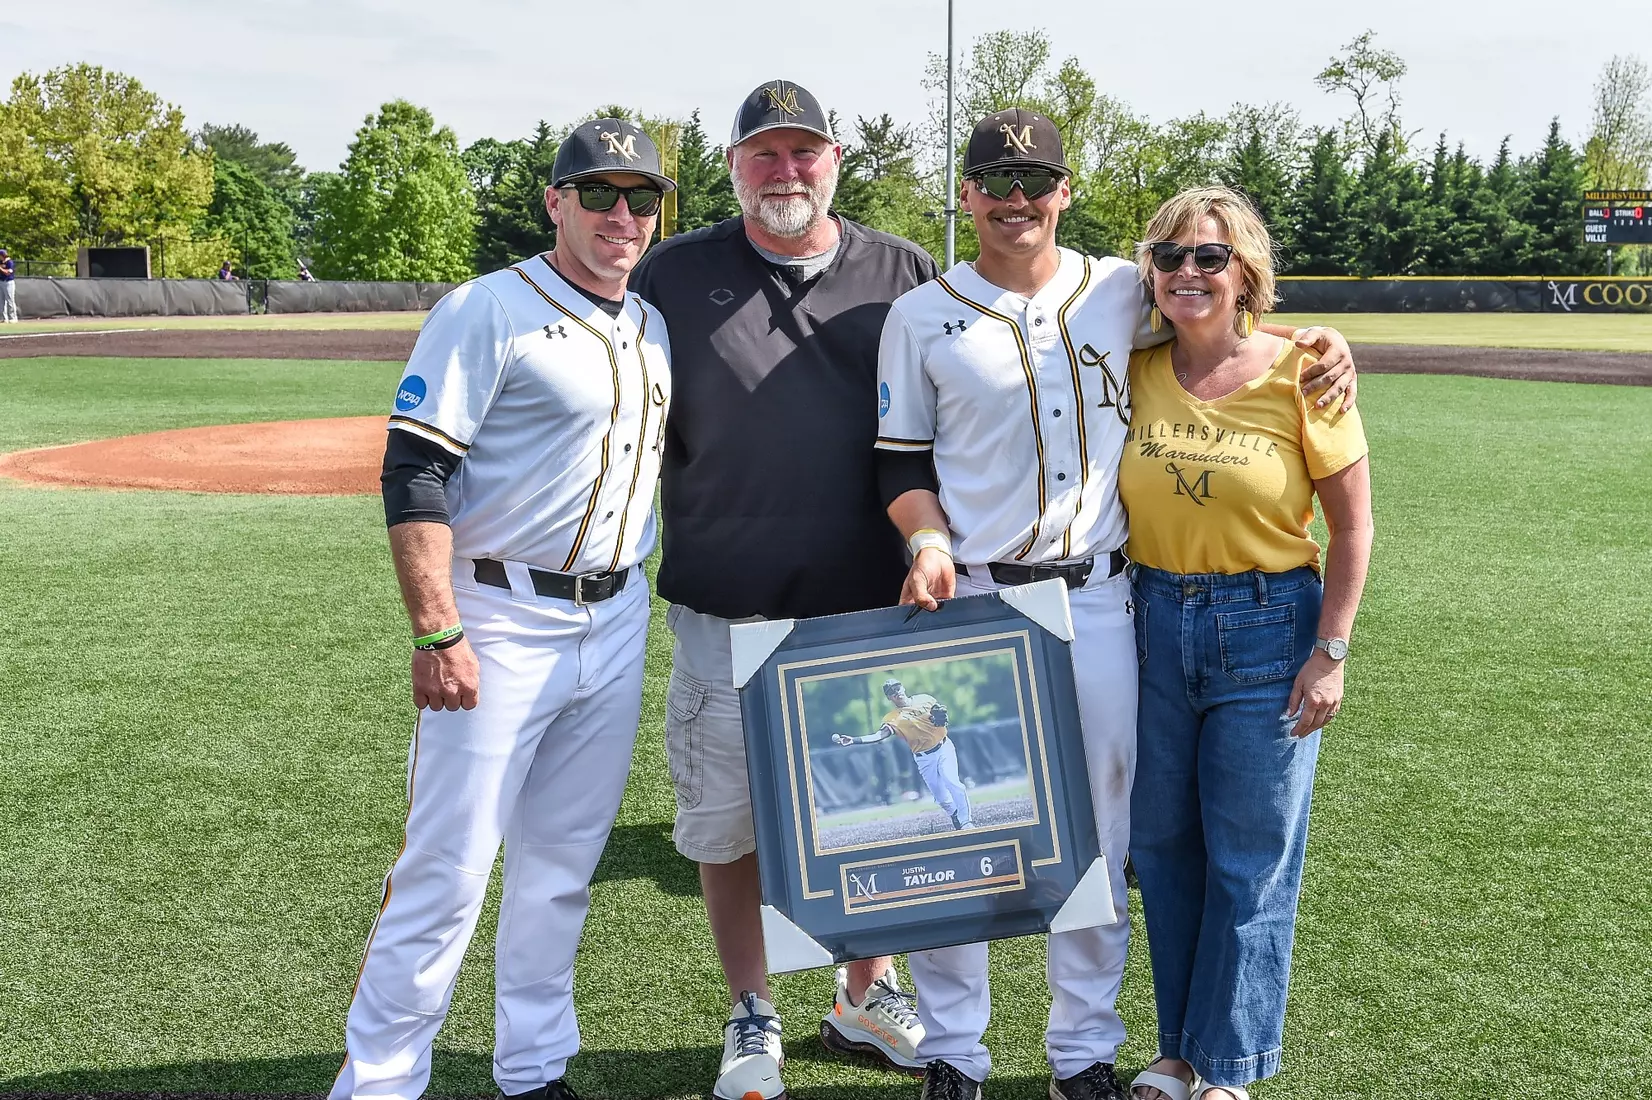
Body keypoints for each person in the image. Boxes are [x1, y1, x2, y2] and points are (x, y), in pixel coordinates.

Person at [874, 110, 1359, 1100]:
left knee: (1101, 832)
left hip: (1097, 601)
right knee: (953, 834)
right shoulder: (920, 315)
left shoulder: (1115, 290)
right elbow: (896, 461)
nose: (1015, 198)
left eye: (1034, 180)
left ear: (1063, 192)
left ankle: (1080, 1048)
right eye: (994, 180)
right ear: (966, 193)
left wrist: (1321, 336)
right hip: (970, 594)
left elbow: (1219, 317)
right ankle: (953, 1049)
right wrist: (924, 537)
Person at [329, 119, 676, 1100]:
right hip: (499, 615)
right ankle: (381, 1082)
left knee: (561, 866)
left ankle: (532, 1066)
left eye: (639, 197)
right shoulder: (486, 309)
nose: (620, 214)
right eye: (599, 192)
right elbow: (415, 470)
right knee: (446, 868)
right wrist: (437, 628)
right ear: (554, 201)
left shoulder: (648, 325)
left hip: (613, 621)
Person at [628, 79, 936, 1097]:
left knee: (874, 812)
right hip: (725, 601)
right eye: (763, 153)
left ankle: (864, 987)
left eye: (803, 152)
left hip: (867, 602)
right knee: (730, 823)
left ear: (836, 161)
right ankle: (751, 1005)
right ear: (733, 167)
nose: (785, 171)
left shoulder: (903, 270)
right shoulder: (671, 273)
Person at [1120, 187, 1373, 1100]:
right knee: (1164, 846)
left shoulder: (1305, 373)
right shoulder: (1136, 358)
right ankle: (1179, 1049)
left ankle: (1229, 1065)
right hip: (1148, 622)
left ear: (1246, 274)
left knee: (1249, 854)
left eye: (1211, 257)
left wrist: (1331, 651)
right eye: (1171, 255)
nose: (1189, 271)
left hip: (1268, 627)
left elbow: (1352, 530)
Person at [832, 678, 971, 830]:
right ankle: (955, 814)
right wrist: (854, 740)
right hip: (924, 758)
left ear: (903, 687)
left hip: (944, 747)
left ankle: (966, 822)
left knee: (952, 782)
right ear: (889, 698)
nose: (896, 692)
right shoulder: (893, 718)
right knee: (942, 799)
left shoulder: (925, 699)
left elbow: (941, 716)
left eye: (897, 688)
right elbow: (879, 736)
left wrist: (942, 720)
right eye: (891, 692)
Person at [1, 248, 17, 323]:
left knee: (10, 300)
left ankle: (13, 317)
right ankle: (4, 318)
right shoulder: (1, 262)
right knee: (1, 301)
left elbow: (8, 272)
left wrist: (0, 268)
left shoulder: (10, 262)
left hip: (8, 282)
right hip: (1, 282)